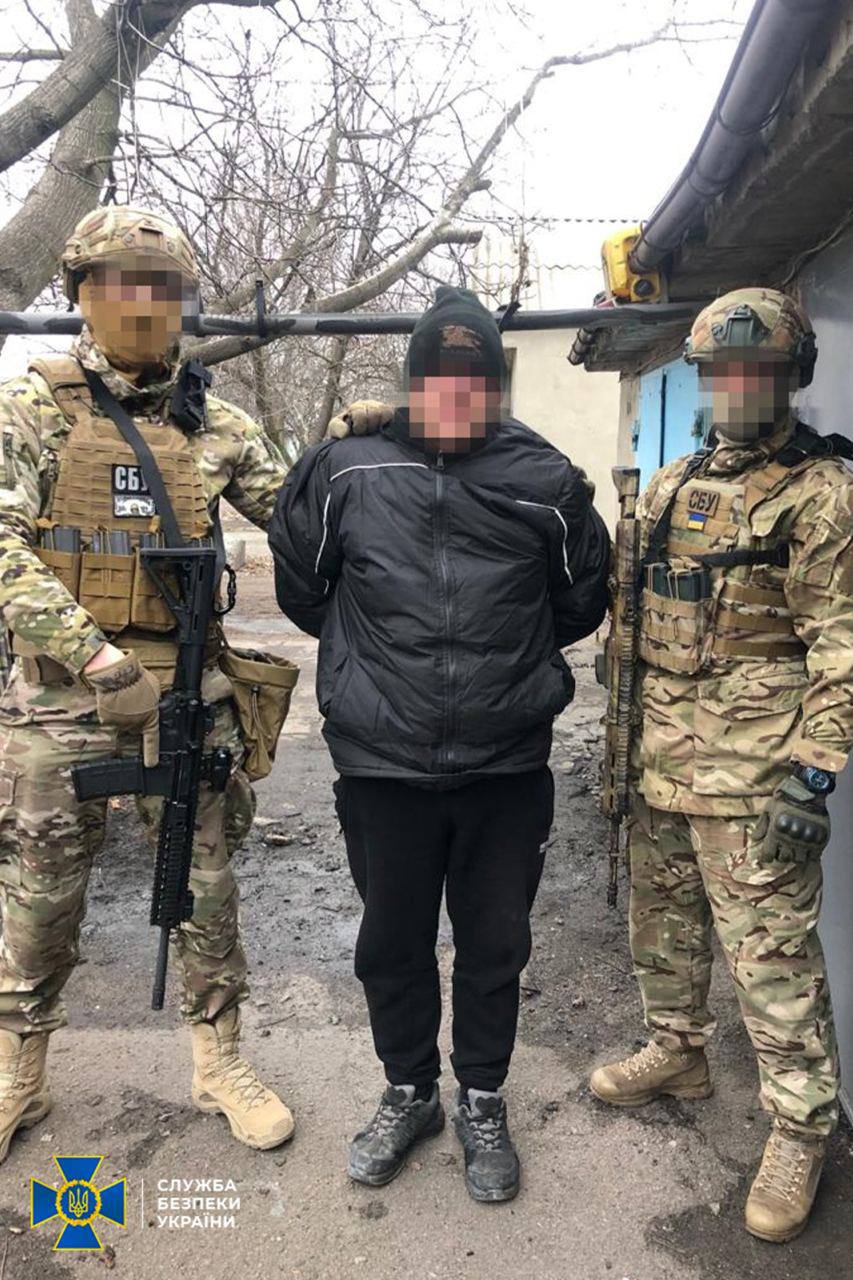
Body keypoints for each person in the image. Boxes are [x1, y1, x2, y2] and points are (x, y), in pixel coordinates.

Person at [0, 203, 379, 1161]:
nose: (142, 304)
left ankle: (220, 1063)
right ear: (81, 293)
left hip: (184, 698)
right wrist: (96, 658)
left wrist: (358, 443)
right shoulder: (31, 408)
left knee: (205, 889)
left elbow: (304, 514)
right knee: (39, 897)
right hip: (63, 700)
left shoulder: (217, 422)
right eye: (120, 284)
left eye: (161, 288)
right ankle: (18, 1073)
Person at [270, 285, 610, 1201]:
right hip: (382, 762)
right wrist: (380, 664)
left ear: (495, 389)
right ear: (411, 384)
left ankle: (483, 1099)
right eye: (438, 382)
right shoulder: (346, 469)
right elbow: (303, 587)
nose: (456, 399)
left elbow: (581, 600)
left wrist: (502, 668)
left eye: (475, 384)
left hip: (506, 766)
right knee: (391, 943)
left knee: (495, 945)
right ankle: (409, 1091)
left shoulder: (543, 478)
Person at [589, 288, 853, 1243]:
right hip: (660, 756)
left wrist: (813, 774)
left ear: (790, 376)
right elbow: (628, 618)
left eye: (757, 371)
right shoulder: (668, 484)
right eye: (722, 371)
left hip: (754, 776)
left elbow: (841, 648)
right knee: (661, 929)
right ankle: (677, 1048)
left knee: (771, 961)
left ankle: (801, 1126)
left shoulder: (823, 494)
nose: (737, 388)